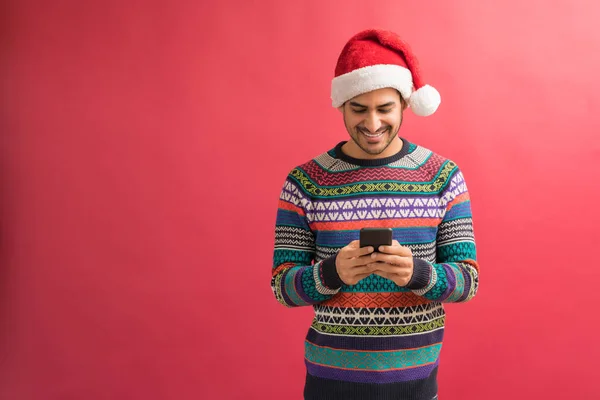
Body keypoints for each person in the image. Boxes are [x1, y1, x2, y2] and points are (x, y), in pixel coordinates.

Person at [270, 28, 479, 400]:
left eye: (384, 109)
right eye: (358, 109)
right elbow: (282, 287)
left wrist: (418, 273)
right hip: (329, 385)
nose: (372, 124)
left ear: (405, 103)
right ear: (341, 104)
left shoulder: (442, 177)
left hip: (415, 386)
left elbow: (467, 282)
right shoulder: (305, 182)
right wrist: (332, 272)